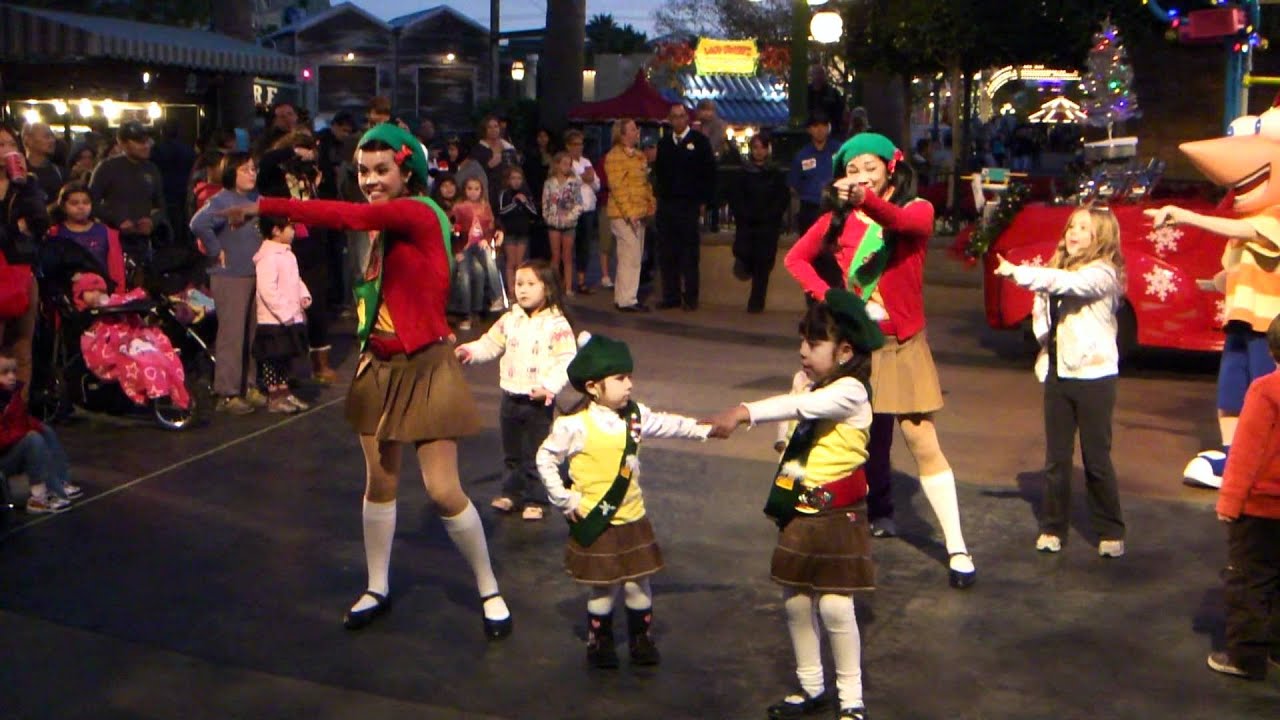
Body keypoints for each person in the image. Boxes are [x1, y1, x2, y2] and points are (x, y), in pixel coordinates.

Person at [220, 122, 513, 637]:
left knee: (443, 491)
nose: (371, 180)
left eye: (381, 170)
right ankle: (377, 586)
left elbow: (350, 216)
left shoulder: (418, 211)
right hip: (378, 364)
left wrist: (262, 205)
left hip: (425, 365)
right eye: (362, 171)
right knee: (379, 483)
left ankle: (489, 589)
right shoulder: (387, 225)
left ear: (407, 172)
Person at [784, 133, 977, 588]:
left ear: (891, 168)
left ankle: (957, 548)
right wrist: (832, 297)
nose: (860, 176)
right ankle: (808, 525)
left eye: (869, 167)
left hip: (903, 345)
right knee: (832, 437)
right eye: (851, 170)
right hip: (858, 346)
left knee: (921, 440)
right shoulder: (837, 221)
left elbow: (899, 222)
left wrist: (864, 200)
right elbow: (796, 259)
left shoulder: (916, 209)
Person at [708, 289, 883, 720]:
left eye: (814, 343)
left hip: (839, 514)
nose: (803, 351)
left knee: (835, 605)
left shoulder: (851, 391)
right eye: (802, 341)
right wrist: (783, 439)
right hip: (800, 511)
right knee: (796, 600)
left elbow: (803, 406)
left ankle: (851, 699)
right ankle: (811, 686)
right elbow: (793, 424)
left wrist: (743, 411)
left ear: (845, 351)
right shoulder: (811, 383)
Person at [536, 333, 710, 668]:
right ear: (593, 386)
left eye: (629, 376)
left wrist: (705, 429)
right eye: (620, 378)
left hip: (633, 519)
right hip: (598, 523)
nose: (629, 384)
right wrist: (565, 499)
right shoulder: (574, 426)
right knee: (603, 589)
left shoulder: (635, 416)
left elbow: (669, 424)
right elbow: (545, 458)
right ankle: (599, 643)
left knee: (638, 583)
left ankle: (640, 639)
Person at [994, 206, 1127, 557]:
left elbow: (1069, 284)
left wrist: (1016, 272)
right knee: (1056, 458)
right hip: (1059, 374)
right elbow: (1042, 311)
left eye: (1083, 228)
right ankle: (1053, 528)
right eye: (1071, 226)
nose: (1073, 233)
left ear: (1101, 237)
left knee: (1096, 458)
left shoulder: (1103, 273)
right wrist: (1047, 345)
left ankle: (1110, 530)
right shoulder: (1055, 271)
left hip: (1095, 377)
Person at [457, 260, 576, 520]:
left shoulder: (556, 324)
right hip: (510, 396)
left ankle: (536, 499)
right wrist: (469, 352)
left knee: (535, 453)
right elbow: (490, 343)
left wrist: (549, 387)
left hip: (537, 401)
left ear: (547, 288)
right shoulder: (511, 319)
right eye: (519, 283)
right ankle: (512, 494)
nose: (523, 289)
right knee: (512, 452)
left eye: (531, 284)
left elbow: (566, 361)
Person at [1207, 313, 1280, 680]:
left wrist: (1229, 502)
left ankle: (1247, 658)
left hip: (1260, 509)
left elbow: (1246, 453)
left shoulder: (1265, 390)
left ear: (1272, 350)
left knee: (1250, 580)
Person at [189, 153, 266, 415]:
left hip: (255, 272)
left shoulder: (256, 198)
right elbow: (198, 223)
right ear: (232, 172)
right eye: (245, 169)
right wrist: (215, 249)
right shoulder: (221, 200)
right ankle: (227, 391)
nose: (251, 174)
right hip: (230, 275)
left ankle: (249, 384)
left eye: (253, 169)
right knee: (232, 335)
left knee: (253, 334)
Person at [72, 273, 190, 410]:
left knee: (156, 347)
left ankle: (167, 379)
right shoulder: (89, 317)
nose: (97, 294)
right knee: (137, 359)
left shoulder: (113, 302)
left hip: (131, 337)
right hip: (110, 346)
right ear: (80, 296)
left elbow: (122, 302)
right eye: (91, 291)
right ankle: (152, 386)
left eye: (101, 291)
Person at [0, 124, 49, 401]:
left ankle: (17, 411)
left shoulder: (26, 184)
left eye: (11, 144)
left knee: (21, 346)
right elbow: (15, 229)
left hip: (21, 270)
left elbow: (40, 223)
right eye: (1, 145)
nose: (7, 150)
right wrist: (13, 229)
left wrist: (24, 182)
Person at [0, 350, 82, 514]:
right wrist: (23, 432)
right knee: (32, 439)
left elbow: (20, 421)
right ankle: (38, 497)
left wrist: (32, 427)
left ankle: (60, 483)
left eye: (13, 372)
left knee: (44, 430)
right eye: (5, 373)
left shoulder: (11, 396)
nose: (12, 377)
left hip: (8, 450)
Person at [654, 104, 716, 311]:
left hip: (689, 205)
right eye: (674, 117)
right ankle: (670, 296)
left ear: (687, 118)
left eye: (681, 116)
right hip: (667, 205)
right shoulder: (664, 143)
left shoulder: (700, 142)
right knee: (667, 252)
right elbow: (659, 173)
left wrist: (704, 202)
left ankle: (690, 297)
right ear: (670, 119)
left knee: (689, 254)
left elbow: (709, 173)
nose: (678, 120)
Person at [252, 216, 312, 414]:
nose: (293, 231)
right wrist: (283, 311)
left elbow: (295, 279)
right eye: (290, 227)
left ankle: (285, 393)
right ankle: (275, 397)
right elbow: (267, 289)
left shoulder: (288, 254)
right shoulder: (268, 257)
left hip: (290, 317)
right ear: (276, 230)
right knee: (272, 359)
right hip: (273, 321)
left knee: (285, 357)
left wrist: (303, 295)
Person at [728, 133, 790, 313]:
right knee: (746, 256)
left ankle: (756, 302)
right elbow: (735, 198)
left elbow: (782, 198)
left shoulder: (775, 174)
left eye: (762, 147)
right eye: (755, 147)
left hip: (768, 226)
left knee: (763, 264)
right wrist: (745, 214)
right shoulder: (743, 173)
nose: (759, 151)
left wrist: (771, 215)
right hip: (747, 225)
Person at [88, 122, 165, 263]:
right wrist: (117, 220)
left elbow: (161, 205)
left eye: (147, 141)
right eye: (140, 142)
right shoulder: (107, 167)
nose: (146, 145)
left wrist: (152, 221)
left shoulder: (152, 169)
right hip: (112, 240)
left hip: (143, 242)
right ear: (122, 143)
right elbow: (91, 202)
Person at [603, 118, 655, 313]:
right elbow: (618, 188)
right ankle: (627, 300)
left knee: (633, 255)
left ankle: (623, 296)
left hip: (640, 213)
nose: (637, 132)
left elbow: (645, 184)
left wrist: (650, 203)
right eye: (633, 129)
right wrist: (629, 213)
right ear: (622, 134)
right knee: (630, 256)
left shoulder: (639, 156)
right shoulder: (614, 157)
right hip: (623, 215)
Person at [48, 182, 127, 291]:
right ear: (63, 206)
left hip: (103, 293)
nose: (81, 207)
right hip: (66, 294)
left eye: (86, 202)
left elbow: (117, 272)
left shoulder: (106, 233)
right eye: (74, 203)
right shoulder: (54, 233)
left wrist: (118, 295)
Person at [450, 176, 504, 331]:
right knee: (465, 275)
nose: (473, 192)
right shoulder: (459, 207)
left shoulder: (485, 206)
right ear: (464, 190)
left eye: (476, 189)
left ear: (481, 190)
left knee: (489, 258)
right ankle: (465, 314)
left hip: (480, 243)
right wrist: (457, 250)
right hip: (464, 246)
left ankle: (497, 297)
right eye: (469, 189)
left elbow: (490, 227)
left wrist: (487, 240)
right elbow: (453, 229)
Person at [563, 130, 603, 293]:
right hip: (572, 210)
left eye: (580, 144)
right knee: (568, 247)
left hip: (588, 209)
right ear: (568, 146)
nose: (578, 147)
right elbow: (569, 182)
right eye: (575, 144)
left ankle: (581, 281)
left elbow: (597, 184)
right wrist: (583, 177)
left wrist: (590, 179)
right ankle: (565, 281)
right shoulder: (565, 161)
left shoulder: (586, 161)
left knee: (584, 246)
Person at [542, 151, 584, 296]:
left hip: (569, 224)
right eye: (564, 163)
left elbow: (579, 203)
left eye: (569, 164)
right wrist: (549, 218)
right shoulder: (549, 183)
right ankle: (554, 286)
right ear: (557, 164)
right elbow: (545, 203)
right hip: (553, 223)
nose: (567, 166)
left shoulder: (574, 183)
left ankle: (568, 287)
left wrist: (570, 217)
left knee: (567, 255)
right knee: (555, 255)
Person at [789, 114, 836, 237]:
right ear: (809, 129)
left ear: (828, 128)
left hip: (834, 207)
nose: (820, 130)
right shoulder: (801, 155)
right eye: (815, 126)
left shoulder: (839, 151)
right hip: (809, 209)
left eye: (823, 125)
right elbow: (793, 186)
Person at [496, 166, 539, 300]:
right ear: (508, 180)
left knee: (520, 263)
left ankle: (518, 289)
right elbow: (502, 211)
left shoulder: (526, 193)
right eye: (513, 178)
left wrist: (524, 202)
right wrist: (515, 202)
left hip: (522, 232)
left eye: (519, 178)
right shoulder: (504, 194)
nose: (516, 181)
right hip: (509, 232)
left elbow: (534, 213)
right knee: (511, 262)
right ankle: (510, 290)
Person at [150, 121, 196, 245]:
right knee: (183, 214)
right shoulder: (188, 149)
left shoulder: (156, 149)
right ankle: (182, 241)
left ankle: (168, 240)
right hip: (183, 186)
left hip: (164, 187)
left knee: (166, 214)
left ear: (162, 132)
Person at [21, 122, 64, 203]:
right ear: (28, 140)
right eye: (47, 137)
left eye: (52, 136)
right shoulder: (18, 172)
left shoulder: (59, 173)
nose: (52, 140)